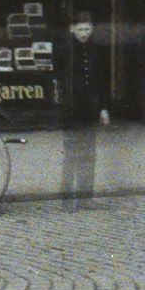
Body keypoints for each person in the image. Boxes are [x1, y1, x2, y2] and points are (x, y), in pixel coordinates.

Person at [60, 11, 110, 209]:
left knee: (89, 155)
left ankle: (85, 198)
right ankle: (66, 198)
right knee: (71, 155)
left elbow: (102, 82)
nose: (84, 33)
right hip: (71, 110)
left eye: (87, 29)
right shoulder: (65, 51)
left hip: (89, 110)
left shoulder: (97, 50)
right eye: (80, 29)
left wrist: (103, 108)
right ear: (72, 29)